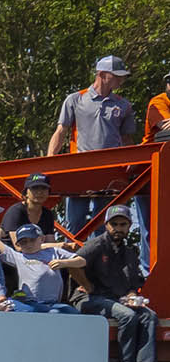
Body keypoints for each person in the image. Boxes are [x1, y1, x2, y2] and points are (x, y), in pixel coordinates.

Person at [77, 204, 161, 362]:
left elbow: (133, 282)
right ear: (106, 225)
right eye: (114, 224)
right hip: (89, 299)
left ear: (129, 226)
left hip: (116, 299)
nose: (118, 228)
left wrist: (132, 295)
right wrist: (86, 284)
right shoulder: (96, 244)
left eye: (123, 224)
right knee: (128, 316)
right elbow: (74, 262)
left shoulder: (130, 251)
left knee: (150, 316)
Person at [51, 57, 138, 237]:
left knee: (104, 223)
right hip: (80, 171)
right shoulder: (76, 99)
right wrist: (50, 162)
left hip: (111, 172)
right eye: (117, 76)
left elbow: (127, 138)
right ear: (102, 75)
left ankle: (99, 263)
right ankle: (71, 263)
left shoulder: (123, 105)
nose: (121, 80)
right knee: (75, 223)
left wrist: (133, 162)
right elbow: (61, 131)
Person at [0, 228, 84, 314]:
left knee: (71, 313)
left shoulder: (54, 251)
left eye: (32, 240)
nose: (28, 244)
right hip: (29, 303)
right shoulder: (18, 257)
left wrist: (64, 263)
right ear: (18, 245)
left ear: (41, 239)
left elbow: (82, 261)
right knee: (9, 307)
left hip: (53, 303)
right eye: (23, 242)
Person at [2, 173, 63, 248]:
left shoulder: (47, 214)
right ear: (26, 193)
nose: (40, 192)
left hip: (36, 255)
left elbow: (51, 243)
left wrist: (61, 246)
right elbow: (19, 246)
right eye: (35, 188)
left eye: (44, 188)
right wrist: (58, 245)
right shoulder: (16, 211)